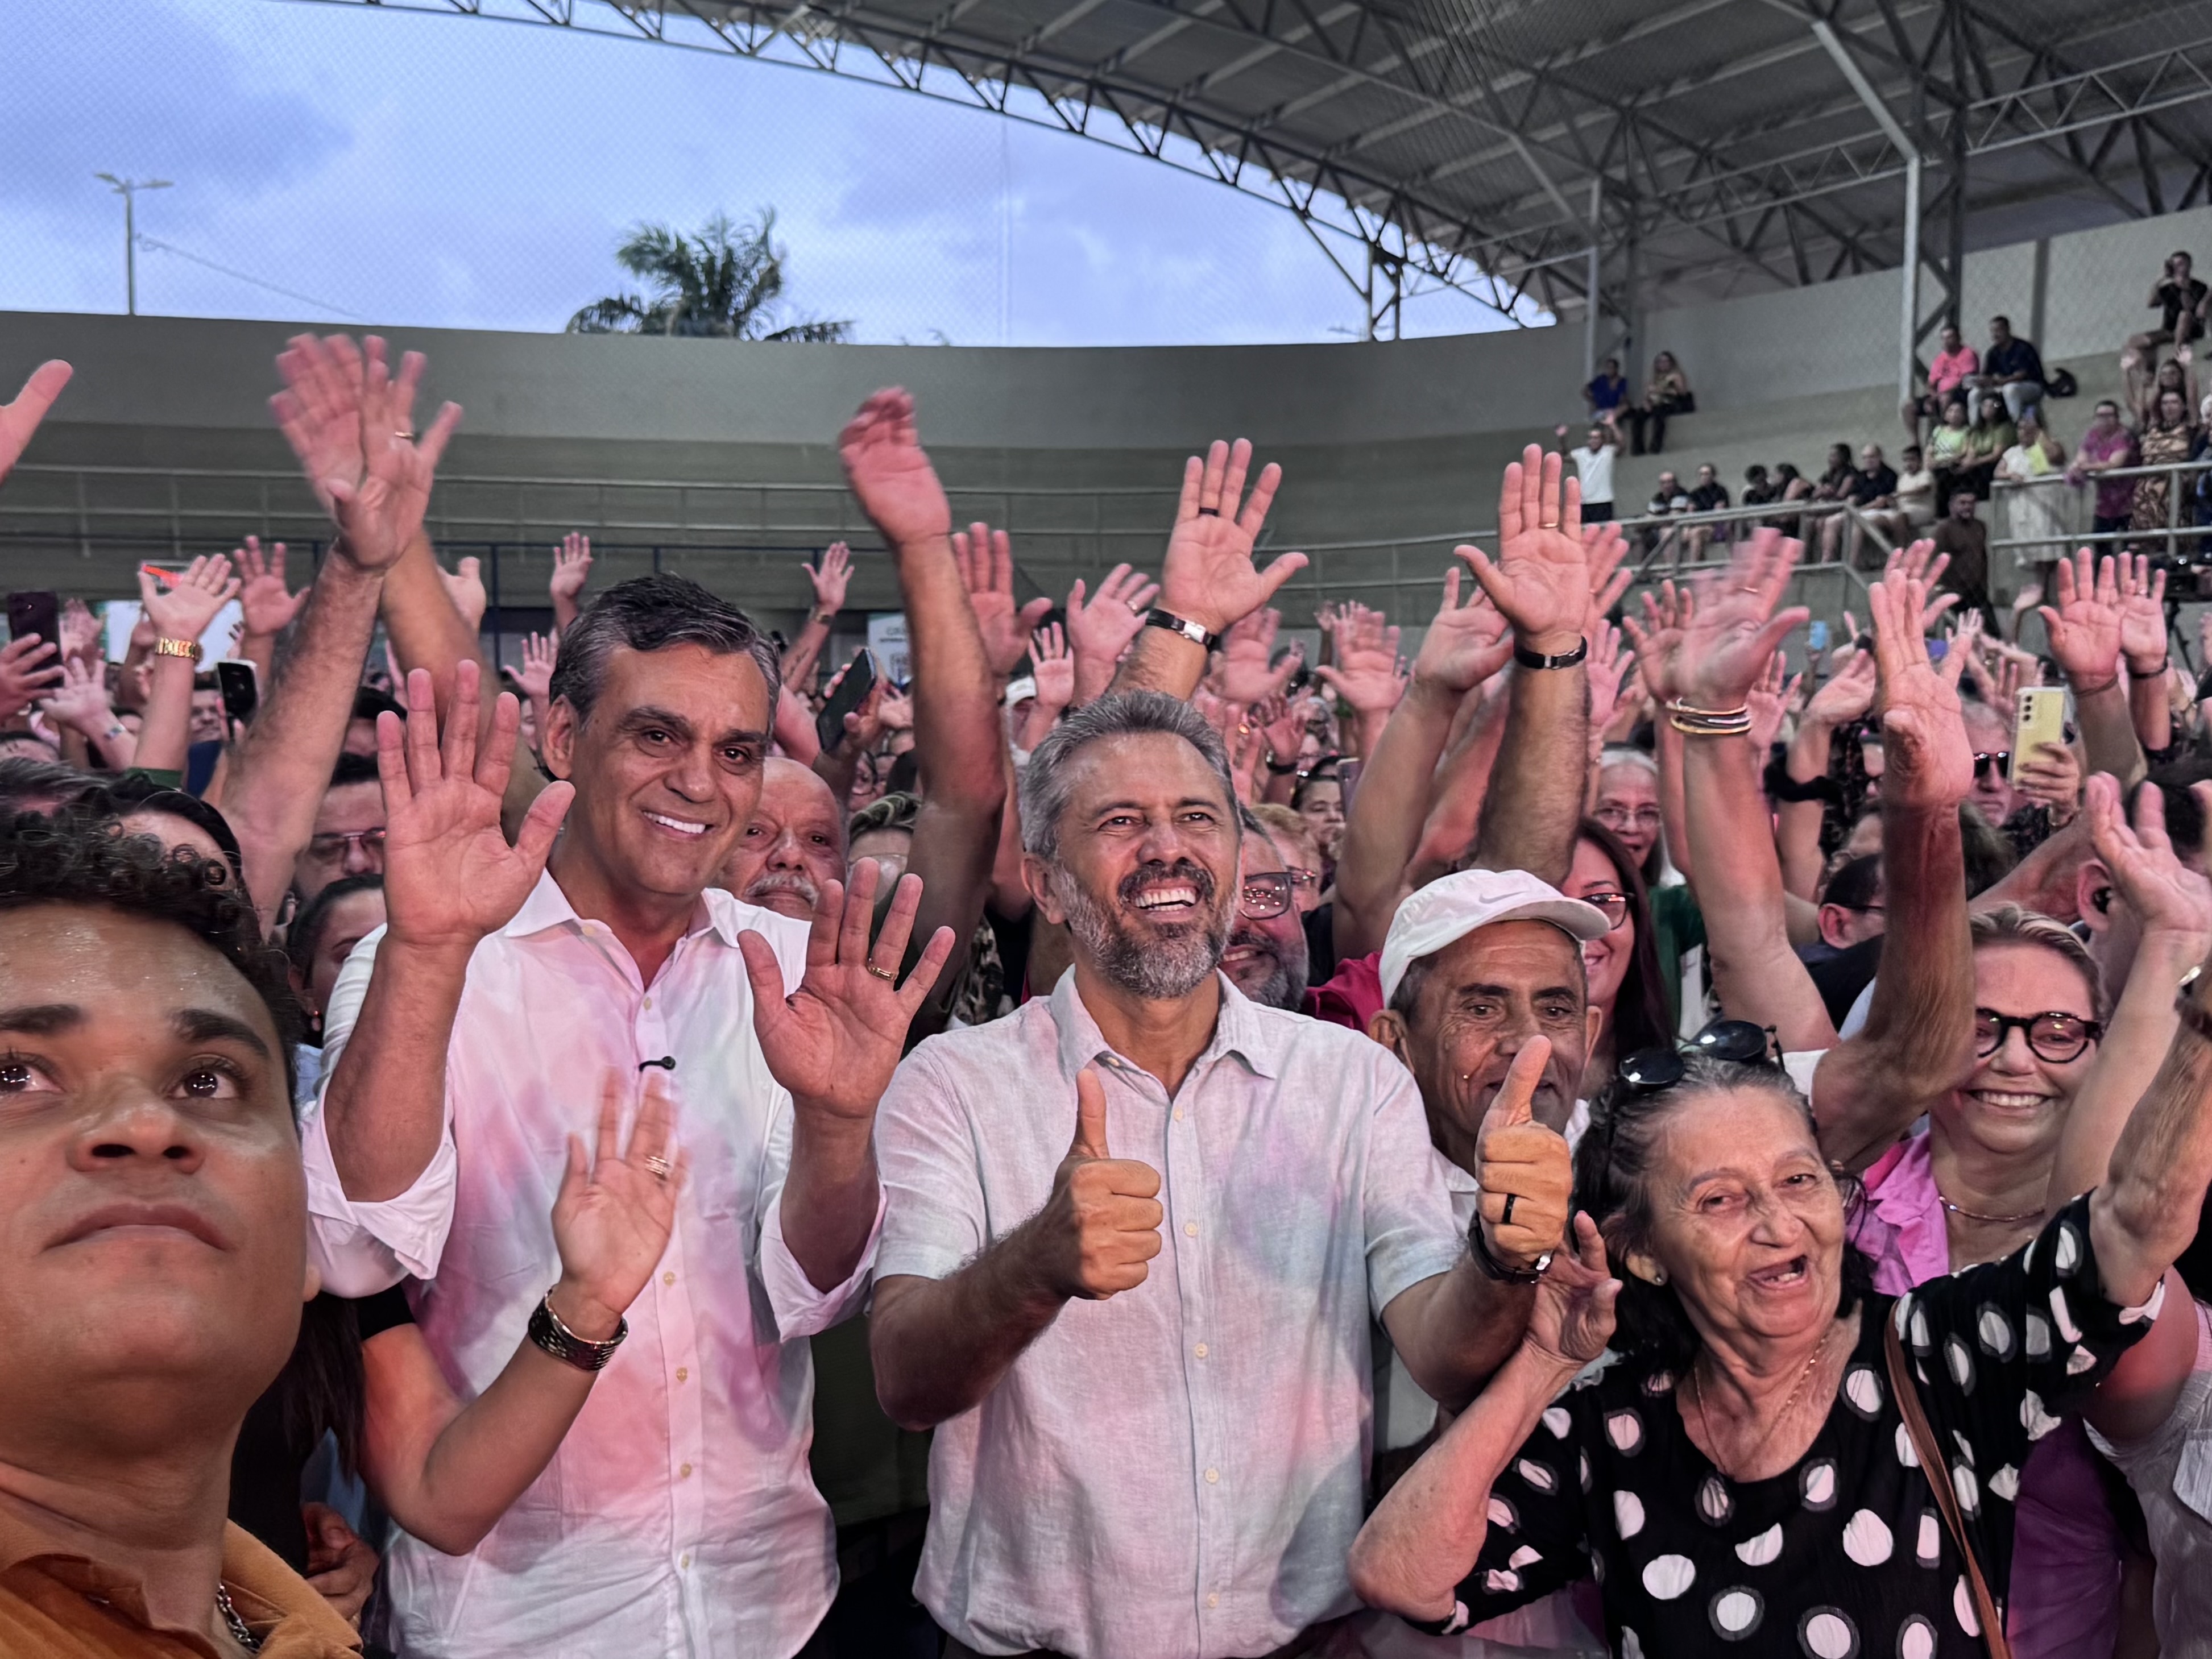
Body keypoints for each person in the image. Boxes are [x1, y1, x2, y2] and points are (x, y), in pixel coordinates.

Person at [868, 442, 1591, 1659]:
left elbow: (1439, 1340)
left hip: (1304, 1643)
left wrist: (1502, 1256)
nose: (1168, 847)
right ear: (1047, 880)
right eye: (1121, 821)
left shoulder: (1350, 1082)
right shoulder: (957, 1084)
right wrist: (1036, 1264)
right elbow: (904, 1376)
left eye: (1197, 817)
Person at [301, 582, 955, 1654]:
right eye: (658, 734)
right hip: (515, 1618)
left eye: (737, 751)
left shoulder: (791, 967)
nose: (699, 781)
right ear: (564, 736)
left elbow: (816, 1291)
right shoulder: (426, 958)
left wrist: (839, 1122)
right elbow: (350, 1247)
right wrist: (428, 953)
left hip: (766, 1605)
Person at [1348, 1011, 2208, 1657]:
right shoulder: (1610, 1430)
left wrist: (2202, 1020)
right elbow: (1403, 1576)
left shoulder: (1936, 1356)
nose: (1777, 1224)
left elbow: (2130, 1222)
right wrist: (1543, 1360)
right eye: (1719, 1199)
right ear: (1641, 1251)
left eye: (1798, 1180)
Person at [0, 816, 361, 1657]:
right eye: (12, 1074)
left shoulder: (298, 1630)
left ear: (305, 1237)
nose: (145, 1123)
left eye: (208, 1080)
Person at [1219, 806, 1311, 1011]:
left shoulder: (1348, 1021)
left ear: (1296, 911)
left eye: (1259, 894)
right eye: (1210, 901)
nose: (1238, 922)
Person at [2131, 385, 2197, 546]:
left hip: (2174, 487)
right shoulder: (2152, 429)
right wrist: (2143, 384)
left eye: (2174, 402)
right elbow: (2138, 409)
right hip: (2145, 490)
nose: (2169, 407)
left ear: (2184, 406)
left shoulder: (2189, 429)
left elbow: (2193, 396)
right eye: (2165, 403)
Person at [2072, 398, 2141, 543]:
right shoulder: (2093, 435)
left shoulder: (2125, 435)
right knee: (2101, 549)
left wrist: (2086, 467)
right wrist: (2078, 465)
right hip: (2104, 505)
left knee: (2129, 549)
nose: (2104, 420)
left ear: (2117, 417)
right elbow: (2081, 457)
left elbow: (2114, 463)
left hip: (2129, 503)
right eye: (2100, 416)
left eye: (2109, 415)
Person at [1932, 489, 1999, 633]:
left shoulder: (1980, 526)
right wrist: (1939, 587)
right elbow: (1936, 559)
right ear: (1952, 505)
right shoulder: (1944, 529)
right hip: (1954, 589)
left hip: (1977, 589)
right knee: (1956, 633)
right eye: (1962, 503)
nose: (1968, 507)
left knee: (1993, 633)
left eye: (1971, 503)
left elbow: (1983, 556)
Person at [1903, 320, 1980, 438]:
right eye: (1943, 338)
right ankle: (1916, 444)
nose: (1946, 341)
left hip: (1961, 393)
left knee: (1945, 398)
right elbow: (1931, 384)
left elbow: (1966, 380)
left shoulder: (1967, 354)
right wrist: (1932, 397)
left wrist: (1939, 396)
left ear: (1958, 338)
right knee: (1908, 407)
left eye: (1950, 337)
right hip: (1940, 395)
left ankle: (1943, 435)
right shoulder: (1940, 359)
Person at [1975, 313, 2048, 424]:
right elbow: (1987, 375)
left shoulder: (2022, 348)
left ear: (2007, 330)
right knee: (1975, 393)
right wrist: (1981, 381)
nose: (1995, 334)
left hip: (2032, 386)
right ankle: (1976, 428)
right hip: (2001, 387)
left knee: (2010, 389)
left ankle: (2016, 425)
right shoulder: (1993, 352)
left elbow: (2021, 376)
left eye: (1999, 330)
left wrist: (2000, 381)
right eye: (1993, 331)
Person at [1625, 351, 1691, 455]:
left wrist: (1663, 389)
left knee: (1659, 415)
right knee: (1638, 416)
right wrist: (1646, 403)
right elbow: (1647, 395)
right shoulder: (1654, 378)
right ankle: (1638, 448)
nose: (1663, 364)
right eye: (1661, 362)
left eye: (1666, 361)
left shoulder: (1676, 376)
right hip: (1655, 403)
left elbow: (1683, 393)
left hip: (1670, 403)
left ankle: (1656, 446)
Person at [1568, 426, 1617, 524]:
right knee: (1586, 531)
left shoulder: (1608, 451)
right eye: (1591, 438)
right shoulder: (1580, 453)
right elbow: (1563, 456)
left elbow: (1622, 445)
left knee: (1604, 531)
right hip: (1585, 502)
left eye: (1596, 438)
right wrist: (1562, 438)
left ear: (1602, 440)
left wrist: (1613, 426)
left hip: (1603, 501)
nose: (1593, 441)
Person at [1583, 358, 1628, 438]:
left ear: (1616, 369)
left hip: (1614, 410)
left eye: (1612, 368)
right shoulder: (1600, 380)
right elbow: (1585, 391)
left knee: (1623, 408)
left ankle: (1610, 422)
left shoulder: (1621, 381)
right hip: (1601, 410)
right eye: (1608, 367)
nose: (1609, 370)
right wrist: (1594, 401)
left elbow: (1623, 399)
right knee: (1606, 420)